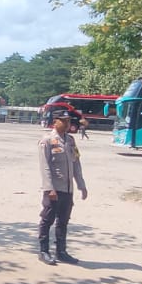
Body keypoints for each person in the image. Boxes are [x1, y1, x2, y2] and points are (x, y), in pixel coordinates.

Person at [37, 110, 88, 265]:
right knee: (47, 219)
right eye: (64, 121)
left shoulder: (70, 140)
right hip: (54, 188)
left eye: (68, 121)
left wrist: (81, 185)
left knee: (63, 221)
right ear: (55, 122)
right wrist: (49, 188)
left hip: (67, 189)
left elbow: (76, 163)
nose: (67, 124)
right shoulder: (47, 141)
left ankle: (61, 251)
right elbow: (45, 166)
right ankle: (44, 251)